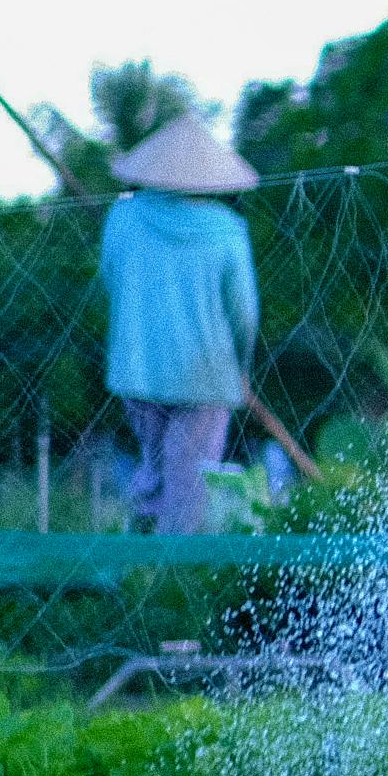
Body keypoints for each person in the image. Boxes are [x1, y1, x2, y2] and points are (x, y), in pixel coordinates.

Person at [97, 115, 263, 536]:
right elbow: (243, 312)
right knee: (189, 486)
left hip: (136, 368)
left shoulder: (122, 217)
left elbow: (110, 280)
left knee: (154, 466)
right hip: (205, 376)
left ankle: (139, 555)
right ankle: (171, 579)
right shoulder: (228, 231)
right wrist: (242, 367)